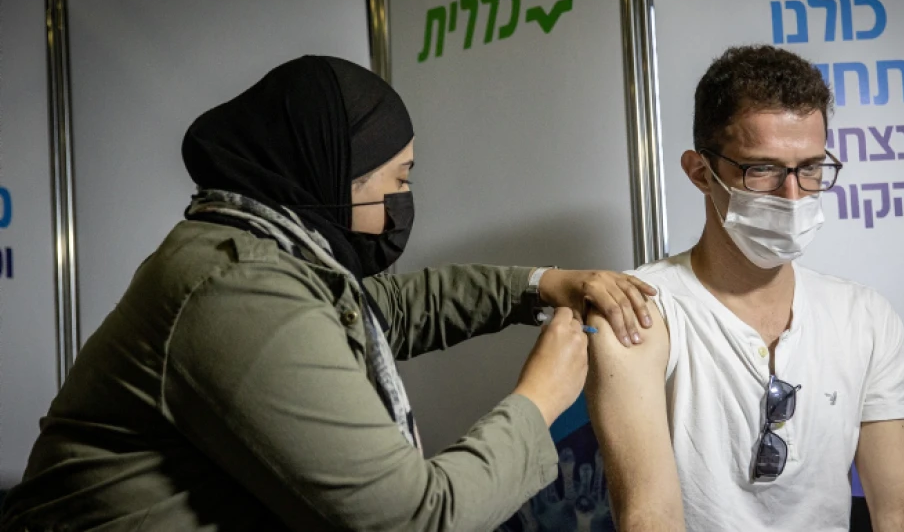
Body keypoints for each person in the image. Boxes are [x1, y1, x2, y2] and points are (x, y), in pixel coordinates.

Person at [0, 56, 659, 531]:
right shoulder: (239, 294)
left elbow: (388, 310)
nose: (402, 203)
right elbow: (413, 519)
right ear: (330, 176)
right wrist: (538, 399)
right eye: (395, 180)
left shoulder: (269, 247)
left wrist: (538, 285)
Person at [585, 45, 904, 531]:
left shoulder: (864, 316)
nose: (793, 195)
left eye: (811, 168)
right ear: (699, 172)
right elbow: (650, 518)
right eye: (763, 169)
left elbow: (903, 510)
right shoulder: (640, 313)